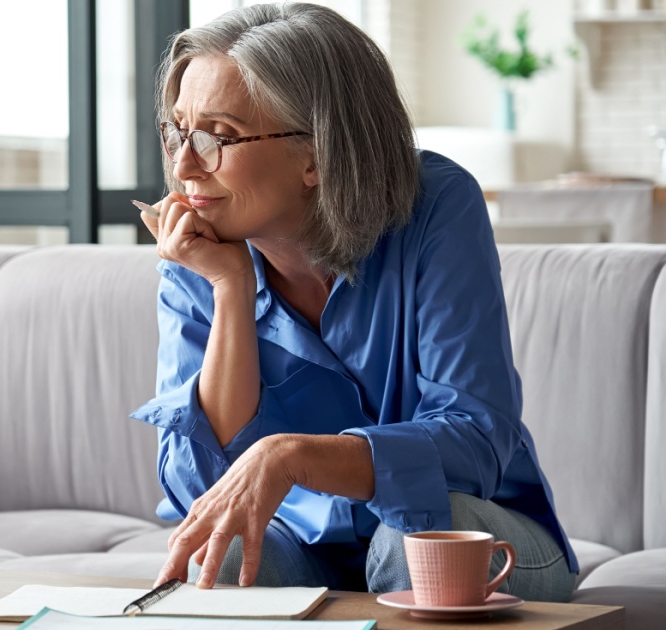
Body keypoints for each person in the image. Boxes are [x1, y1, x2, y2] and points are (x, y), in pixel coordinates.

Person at [129, 2, 577, 602]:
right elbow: (201, 490)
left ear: (317, 154)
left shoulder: (437, 207)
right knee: (226, 551)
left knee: (412, 539)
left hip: (479, 531)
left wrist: (292, 457)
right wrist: (230, 290)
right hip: (303, 545)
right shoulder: (199, 250)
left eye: (218, 137)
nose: (184, 166)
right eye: (177, 132)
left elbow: (475, 441)